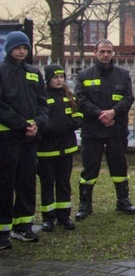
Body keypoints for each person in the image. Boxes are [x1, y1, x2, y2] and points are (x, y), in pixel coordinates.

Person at [75, 39, 135, 219]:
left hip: (116, 130)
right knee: (90, 168)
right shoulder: (84, 75)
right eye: (102, 51)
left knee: (119, 166)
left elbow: (128, 98)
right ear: (95, 52)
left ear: (113, 53)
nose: (105, 55)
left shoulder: (123, 74)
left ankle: (123, 200)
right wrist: (100, 115)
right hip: (92, 131)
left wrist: (113, 113)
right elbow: (81, 99)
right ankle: (85, 204)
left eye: (109, 51)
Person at [0, 31, 48, 248]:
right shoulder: (1, 71)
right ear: (9, 48)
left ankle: (23, 227)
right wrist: (22, 125)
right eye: (18, 47)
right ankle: (2, 231)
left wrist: (37, 122)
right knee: (4, 184)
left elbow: (42, 103)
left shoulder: (33, 73)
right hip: (7, 138)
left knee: (27, 183)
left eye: (25, 48)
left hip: (30, 138)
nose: (22, 51)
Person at [37, 64, 83, 232]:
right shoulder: (41, 96)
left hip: (66, 148)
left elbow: (78, 113)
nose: (59, 80)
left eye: (61, 77)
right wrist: (47, 127)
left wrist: (73, 123)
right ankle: (48, 218)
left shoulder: (69, 96)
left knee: (63, 183)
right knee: (47, 183)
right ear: (48, 79)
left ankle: (64, 216)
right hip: (46, 149)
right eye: (55, 77)